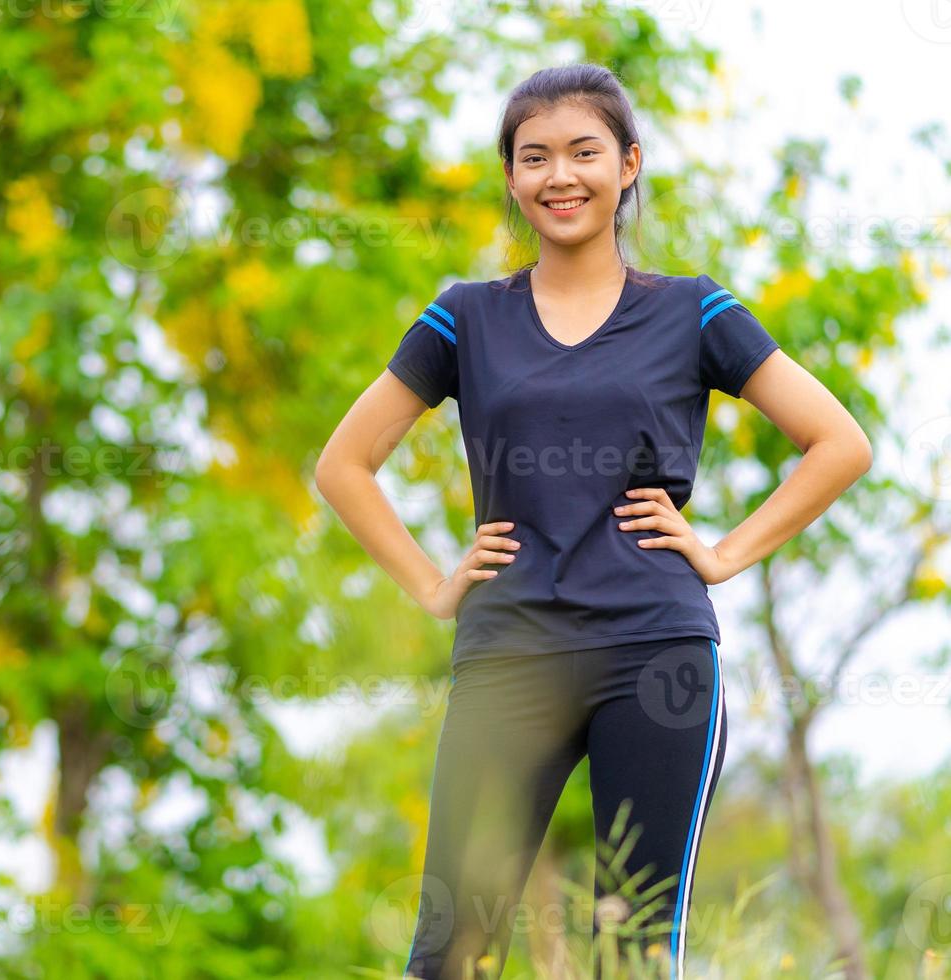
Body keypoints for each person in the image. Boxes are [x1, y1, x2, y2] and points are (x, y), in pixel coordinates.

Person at [314, 63, 873, 979]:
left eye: (584, 152)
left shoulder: (692, 310)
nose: (559, 176)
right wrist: (431, 583)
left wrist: (723, 554)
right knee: (448, 952)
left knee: (635, 952)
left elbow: (838, 442)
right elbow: (344, 465)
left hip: (655, 656)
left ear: (629, 165)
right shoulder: (465, 319)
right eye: (534, 157)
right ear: (510, 177)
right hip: (508, 655)